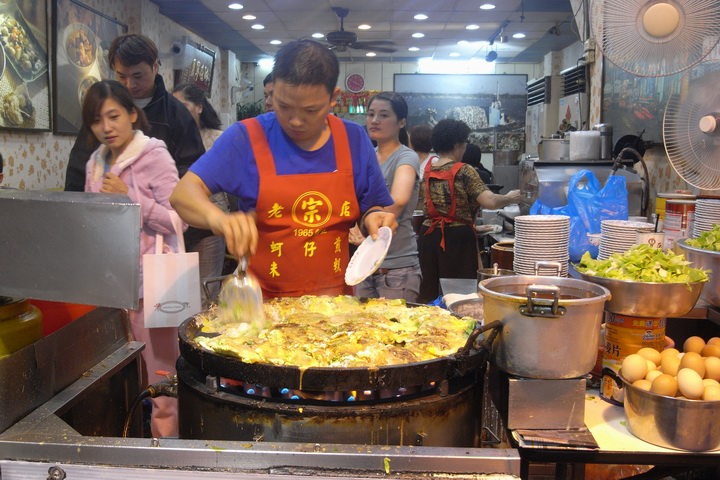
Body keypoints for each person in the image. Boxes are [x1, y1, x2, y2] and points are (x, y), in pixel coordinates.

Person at [170, 39, 396, 298]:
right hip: (262, 308)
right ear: (272, 91)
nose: (296, 121)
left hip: (335, 308)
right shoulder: (246, 138)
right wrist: (219, 220)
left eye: (311, 110)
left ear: (333, 98)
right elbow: (183, 194)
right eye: (284, 106)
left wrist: (375, 218)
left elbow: (372, 207)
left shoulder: (354, 139)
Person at [82, 80, 183, 438]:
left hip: (152, 282)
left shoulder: (154, 155)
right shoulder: (95, 162)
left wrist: (129, 198)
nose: (106, 127)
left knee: (162, 373)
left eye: (113, 116)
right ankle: (129, 446)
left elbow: (177, 218)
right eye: (97, 120)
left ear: (132, 114)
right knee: (123, 372)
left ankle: (166, 452)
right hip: (111, 285)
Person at [417, 119, 522, 303]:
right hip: (457, 239)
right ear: (458, 144)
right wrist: (510, 197)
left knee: (429, 293)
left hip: (428, 236)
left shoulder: (427, 170)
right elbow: (489, 201)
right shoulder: (464, 170)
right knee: (460, 296)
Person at [351, 92, 421, 302]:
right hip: (363, 263)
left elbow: (398, 200)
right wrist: (353, 228)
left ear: (401, 122)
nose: (374, 120)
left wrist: (365, 223)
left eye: (383, 115)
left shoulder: (406, 156)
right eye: (371, 114)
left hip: (397, 268)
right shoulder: (367, 156)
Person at [172, 82, 229, 306]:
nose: (177, 110)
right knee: (179, 293)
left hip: (210, 225)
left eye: (183, 105)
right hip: (178, 223)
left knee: (206, 291)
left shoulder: (217, 138)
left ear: (199, 107)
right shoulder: (171, 138)